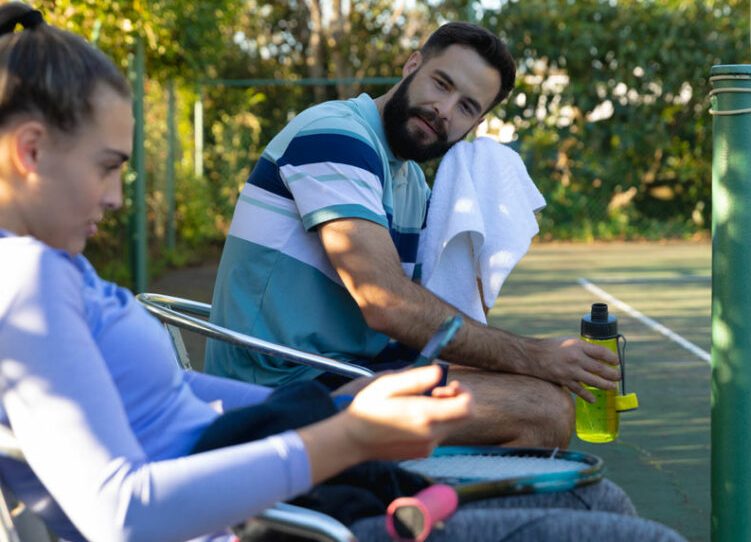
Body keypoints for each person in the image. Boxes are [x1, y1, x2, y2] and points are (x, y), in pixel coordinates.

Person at [0, 3, 687, 542]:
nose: (118, 196)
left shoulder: (29, 271)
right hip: (276, 516)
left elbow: (172, 406)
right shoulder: (18, 286)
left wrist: (322, 416)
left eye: (468, 105)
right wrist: (343, 434)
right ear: (29, 152)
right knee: (617, 520)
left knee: (594, 497)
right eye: (107, 167)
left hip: (279, 459)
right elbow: (119, 511)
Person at [205, 22, 619, 448]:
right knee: (542, 409)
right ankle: (407, 510)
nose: (444, 110)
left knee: (529, 387)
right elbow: (388, 304)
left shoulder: (412, 182)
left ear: (475, 124)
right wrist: (536, 356)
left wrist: (526, 360)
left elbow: (428, 317)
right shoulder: (336, 135)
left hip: (349, 374)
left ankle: (420, 503)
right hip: (279, 392)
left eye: (466, 108)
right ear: (411, 65)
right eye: (441, 84)